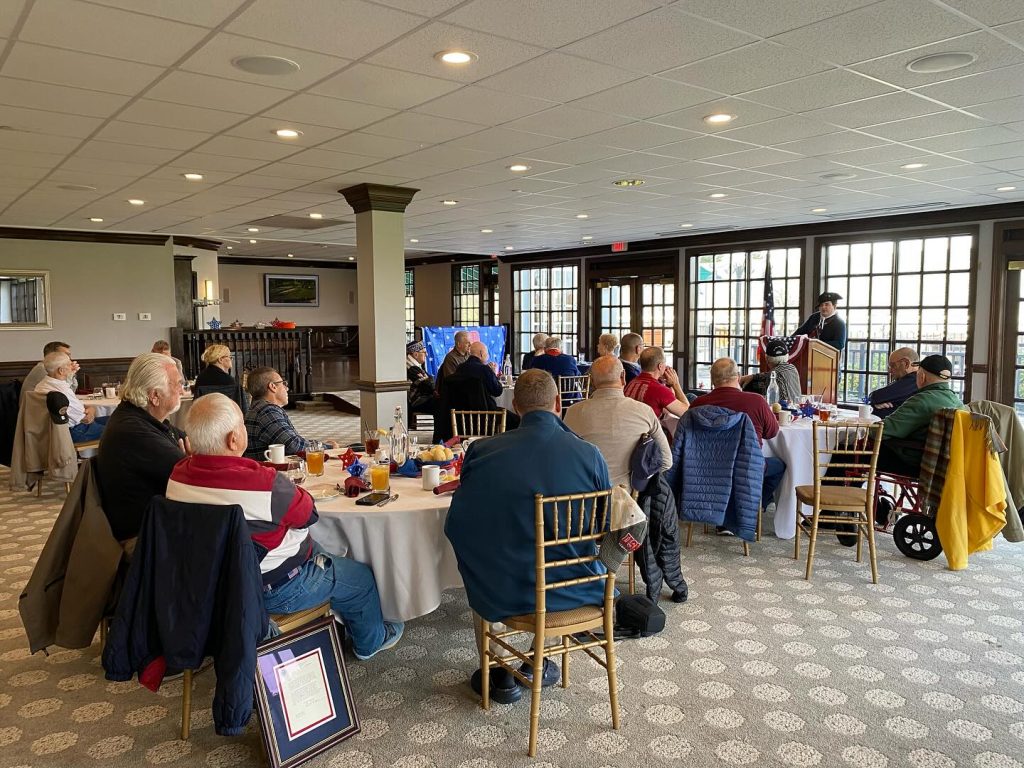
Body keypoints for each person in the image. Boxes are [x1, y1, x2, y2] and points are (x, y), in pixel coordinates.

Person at [166, 393, 403, 660]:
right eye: (242, 424)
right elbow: (308, 514)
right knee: (361, 578)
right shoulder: (263, 484)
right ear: (233, 439)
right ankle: (370, 642)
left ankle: (335, 620)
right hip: (274, 589)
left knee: (322, 549)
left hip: (209, 586)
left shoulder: (177, 476)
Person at [445, 369, 611, 695]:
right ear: (558, 403)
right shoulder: (589, 455)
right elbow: (604, 529)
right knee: (555, 561)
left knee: (483, 563)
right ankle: (537, 660)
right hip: (572, 588)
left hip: (503, 587)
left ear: (515, 407)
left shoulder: (482, 450)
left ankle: (499, 671)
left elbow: (458, 522)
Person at [97, 353, 188, 542]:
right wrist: (191, 461)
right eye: (178, 384)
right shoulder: (132, 431)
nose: (182, 390)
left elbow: (189, 443)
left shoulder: (144, 418)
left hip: (159, 521)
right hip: (143, 538)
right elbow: (189, 474)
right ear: (155, 396)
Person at [691, 358, 786, 515]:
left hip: (707, 469)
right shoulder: (756, 401)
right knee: (779, 465)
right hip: (747, 468)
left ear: (712, 380)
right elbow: (772, 433)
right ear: (739, 376)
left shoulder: (697, 404)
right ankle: (756, 505)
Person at [563, 355, 670, 487]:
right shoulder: (644, 411)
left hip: (585, 495)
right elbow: (666, 461)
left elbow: (564, 459)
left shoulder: (573, 412)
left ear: (593, 382)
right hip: (628, 495)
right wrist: (639, 485)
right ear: (623, 376)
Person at [869, 354, 965, 477]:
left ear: (922, 376)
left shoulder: (921, 400)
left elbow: (881, 431)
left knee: (849, 451)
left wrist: (867, 429)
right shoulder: (958, 403)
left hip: (912, 461)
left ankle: (850, 489)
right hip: (943, 464)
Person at [243, 367, 338, 459]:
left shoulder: (259, 408)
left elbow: (293, 442)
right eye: (283, 383)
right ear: (273, 387)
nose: (287, 388)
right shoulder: (267, 412)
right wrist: (327, 447)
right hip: (268, 468)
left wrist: (320, 445)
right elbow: (293, 445)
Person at [34, 350, 106, 443]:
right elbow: (84, 418)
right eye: (69, 364)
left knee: (113, 420)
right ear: (61, 370)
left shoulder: (42, 385)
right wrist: (92, 410)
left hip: (56, 431)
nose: (72, 366)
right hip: (77, 431)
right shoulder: (61, 390)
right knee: (119, 428)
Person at [451, 341, 521, 429]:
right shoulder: (484, 369)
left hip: (462, 416)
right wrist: (493, 373)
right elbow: (497, 391)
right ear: (481, 354)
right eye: (487, 354)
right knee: (516, 420)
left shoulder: (460, 368)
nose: (488, 357)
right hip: (485, 415)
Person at [623, 346, 689, 421]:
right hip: (650, 428)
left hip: (632, 424)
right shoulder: (659, 390)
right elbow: (687, 413)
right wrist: (676, 384)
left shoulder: (632, 382)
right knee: (691, 397)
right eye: (665, 363)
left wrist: (663, 383)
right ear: (660, 366)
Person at [740, 338, 802, 403]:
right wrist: (753, 376)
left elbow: (767, 395)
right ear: (786, 356)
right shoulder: (792, 368)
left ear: (767, 359)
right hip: (797, 406)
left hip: (783, 408)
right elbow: (772, 374)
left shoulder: (773, 375)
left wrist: (746, 382)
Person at [869, 347, 920, 418]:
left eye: (893, 365)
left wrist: (875, 405)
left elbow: (876, 396)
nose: (889, 370)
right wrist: (875, 405)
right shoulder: (908, 380)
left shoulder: (914, 379)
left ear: (906, 364)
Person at [406, 340, 436, 417]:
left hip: (423, 399)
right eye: (424, 352)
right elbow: (428, 386)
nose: (427, 355)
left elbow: (429, 380)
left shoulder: (416, 367)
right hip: (417, 402)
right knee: (443, 404)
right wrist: (428, 380)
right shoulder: (411, 368)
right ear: (416, 354)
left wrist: (428, 379)